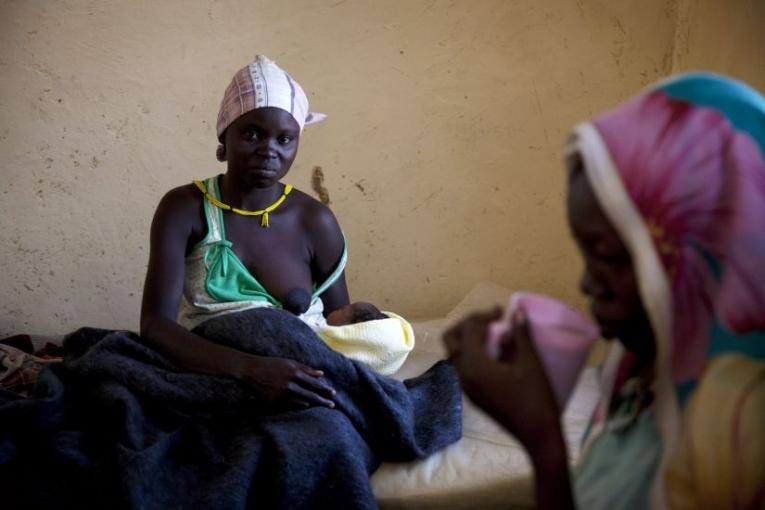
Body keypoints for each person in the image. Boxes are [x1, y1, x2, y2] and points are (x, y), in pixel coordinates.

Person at [444, 73, 765, 509]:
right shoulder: (643, 374)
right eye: (586, 254)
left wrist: (544, 443)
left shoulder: (742, 434)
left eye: (611, 258)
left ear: (706, 254)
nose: (587, 284)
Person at [141, 55, 349, 410]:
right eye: (252, 134)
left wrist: (372, 323)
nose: (269, 149)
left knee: (327, 429)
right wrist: (251, 369)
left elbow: (341, 325)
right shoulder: (184, 208)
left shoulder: (316, 220)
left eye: (285, 139)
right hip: (214, 371)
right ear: (224, 138)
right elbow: (155, 326)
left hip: (299, 380)